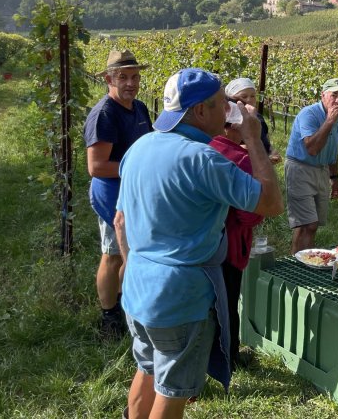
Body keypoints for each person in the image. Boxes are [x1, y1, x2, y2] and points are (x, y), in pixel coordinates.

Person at [114, 68, 283, 419]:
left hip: (138, 288)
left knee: (146, 370)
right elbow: (271, 203)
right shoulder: (204, 160)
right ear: (200, 111)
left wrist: (129, 261)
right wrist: (253, 138)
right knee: (171, 391)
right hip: (180, 297)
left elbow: (121, 220)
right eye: (223, 104)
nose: (229, 112)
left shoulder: (139, 147)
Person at [84, 49, 152, 339]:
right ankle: (108, 316)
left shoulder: (139, 108)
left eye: (135, 77)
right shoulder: (104, 114)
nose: (130, 83)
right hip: (112, 195)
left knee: (130, 253)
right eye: (122, 77)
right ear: (109, 79)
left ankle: (124, 302)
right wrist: (137, 169)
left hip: (134, 193)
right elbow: (96, 166)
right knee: (113, 254)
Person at [209, 118, 265, 370]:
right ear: (234, 125)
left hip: (205, 242)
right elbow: (251, 213)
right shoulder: (240, 159)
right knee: (229, 300)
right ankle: (228, 358)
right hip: (230, 242)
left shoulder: (205, 147)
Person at [285, 78, 338, 253]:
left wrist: (334, 178)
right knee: (306, 223)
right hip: (301, 169)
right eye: (334, 95)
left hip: (321, 170)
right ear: (323, 95)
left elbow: (333, 150)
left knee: (313, 224)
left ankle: (303, 260)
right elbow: (312, 148)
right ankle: (299, 265)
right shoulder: (309, 114)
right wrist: (328, 121)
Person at [224, 77, 281, 163]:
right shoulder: (231, 120)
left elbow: (264, 138)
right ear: (233, 99)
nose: (249, 100)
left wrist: (271, 151)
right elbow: (228, 147)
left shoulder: (258, 117)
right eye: (244, 96)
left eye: (253, 96)